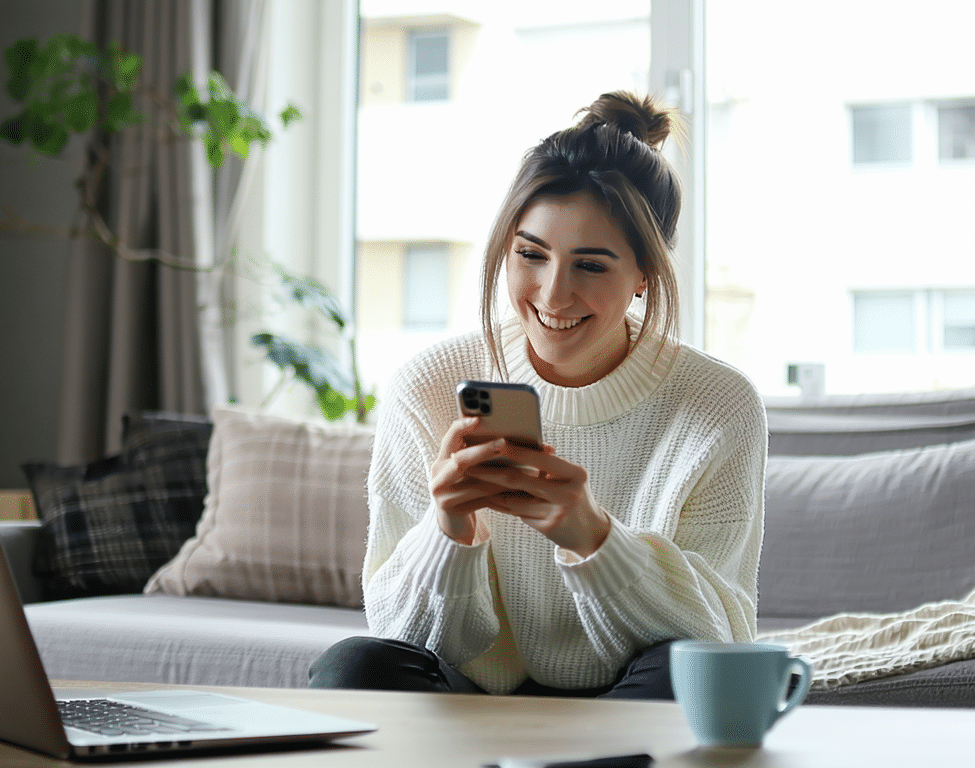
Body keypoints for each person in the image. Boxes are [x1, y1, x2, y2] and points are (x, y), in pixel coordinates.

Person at [309, 91, 767, 699]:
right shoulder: (427, 386)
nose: (553, 297)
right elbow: (398, 634)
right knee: (355, 667)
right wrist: (449, 530)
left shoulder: (718, 405)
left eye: (593, 266)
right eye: (531, 255)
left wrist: (595, 539)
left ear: (644, 276)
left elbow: (720, 641)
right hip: (473, 697)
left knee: (684, 676)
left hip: (624, 695)